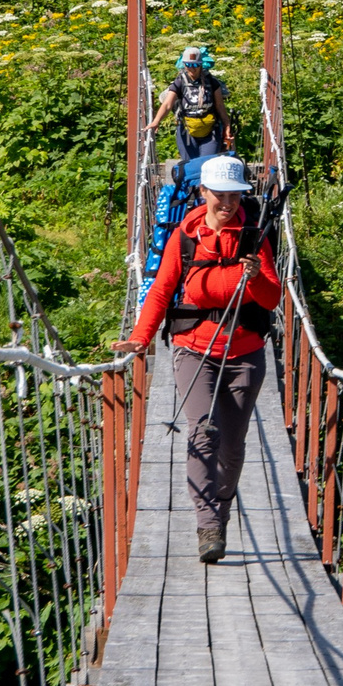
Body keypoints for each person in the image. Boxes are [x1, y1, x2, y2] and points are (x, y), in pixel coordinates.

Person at [113, 152, 283, 564]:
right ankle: (208, 525)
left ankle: (220, 511)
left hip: (245, 350)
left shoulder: (254, 236)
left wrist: (256, 276)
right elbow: (159, 290)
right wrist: (141, 338)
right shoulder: (184, 237)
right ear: (202, 192)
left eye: (235, 195)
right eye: (220, 195)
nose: (228, 203)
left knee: (233, 448)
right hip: (195, 348)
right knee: (204, 430)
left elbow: (273, 298)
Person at [152, 44, 232, 162]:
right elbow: (167, 104)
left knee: (207, 164)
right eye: (188, 65)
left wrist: (227, 126)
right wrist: (156, 121)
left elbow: (220, 106)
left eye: (195, 65)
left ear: (201, 65)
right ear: (184, 64)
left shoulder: (212, 82)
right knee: (190, 165)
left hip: (210, 131)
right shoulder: (180, 82)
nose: (192, 68)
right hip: (187, 130)